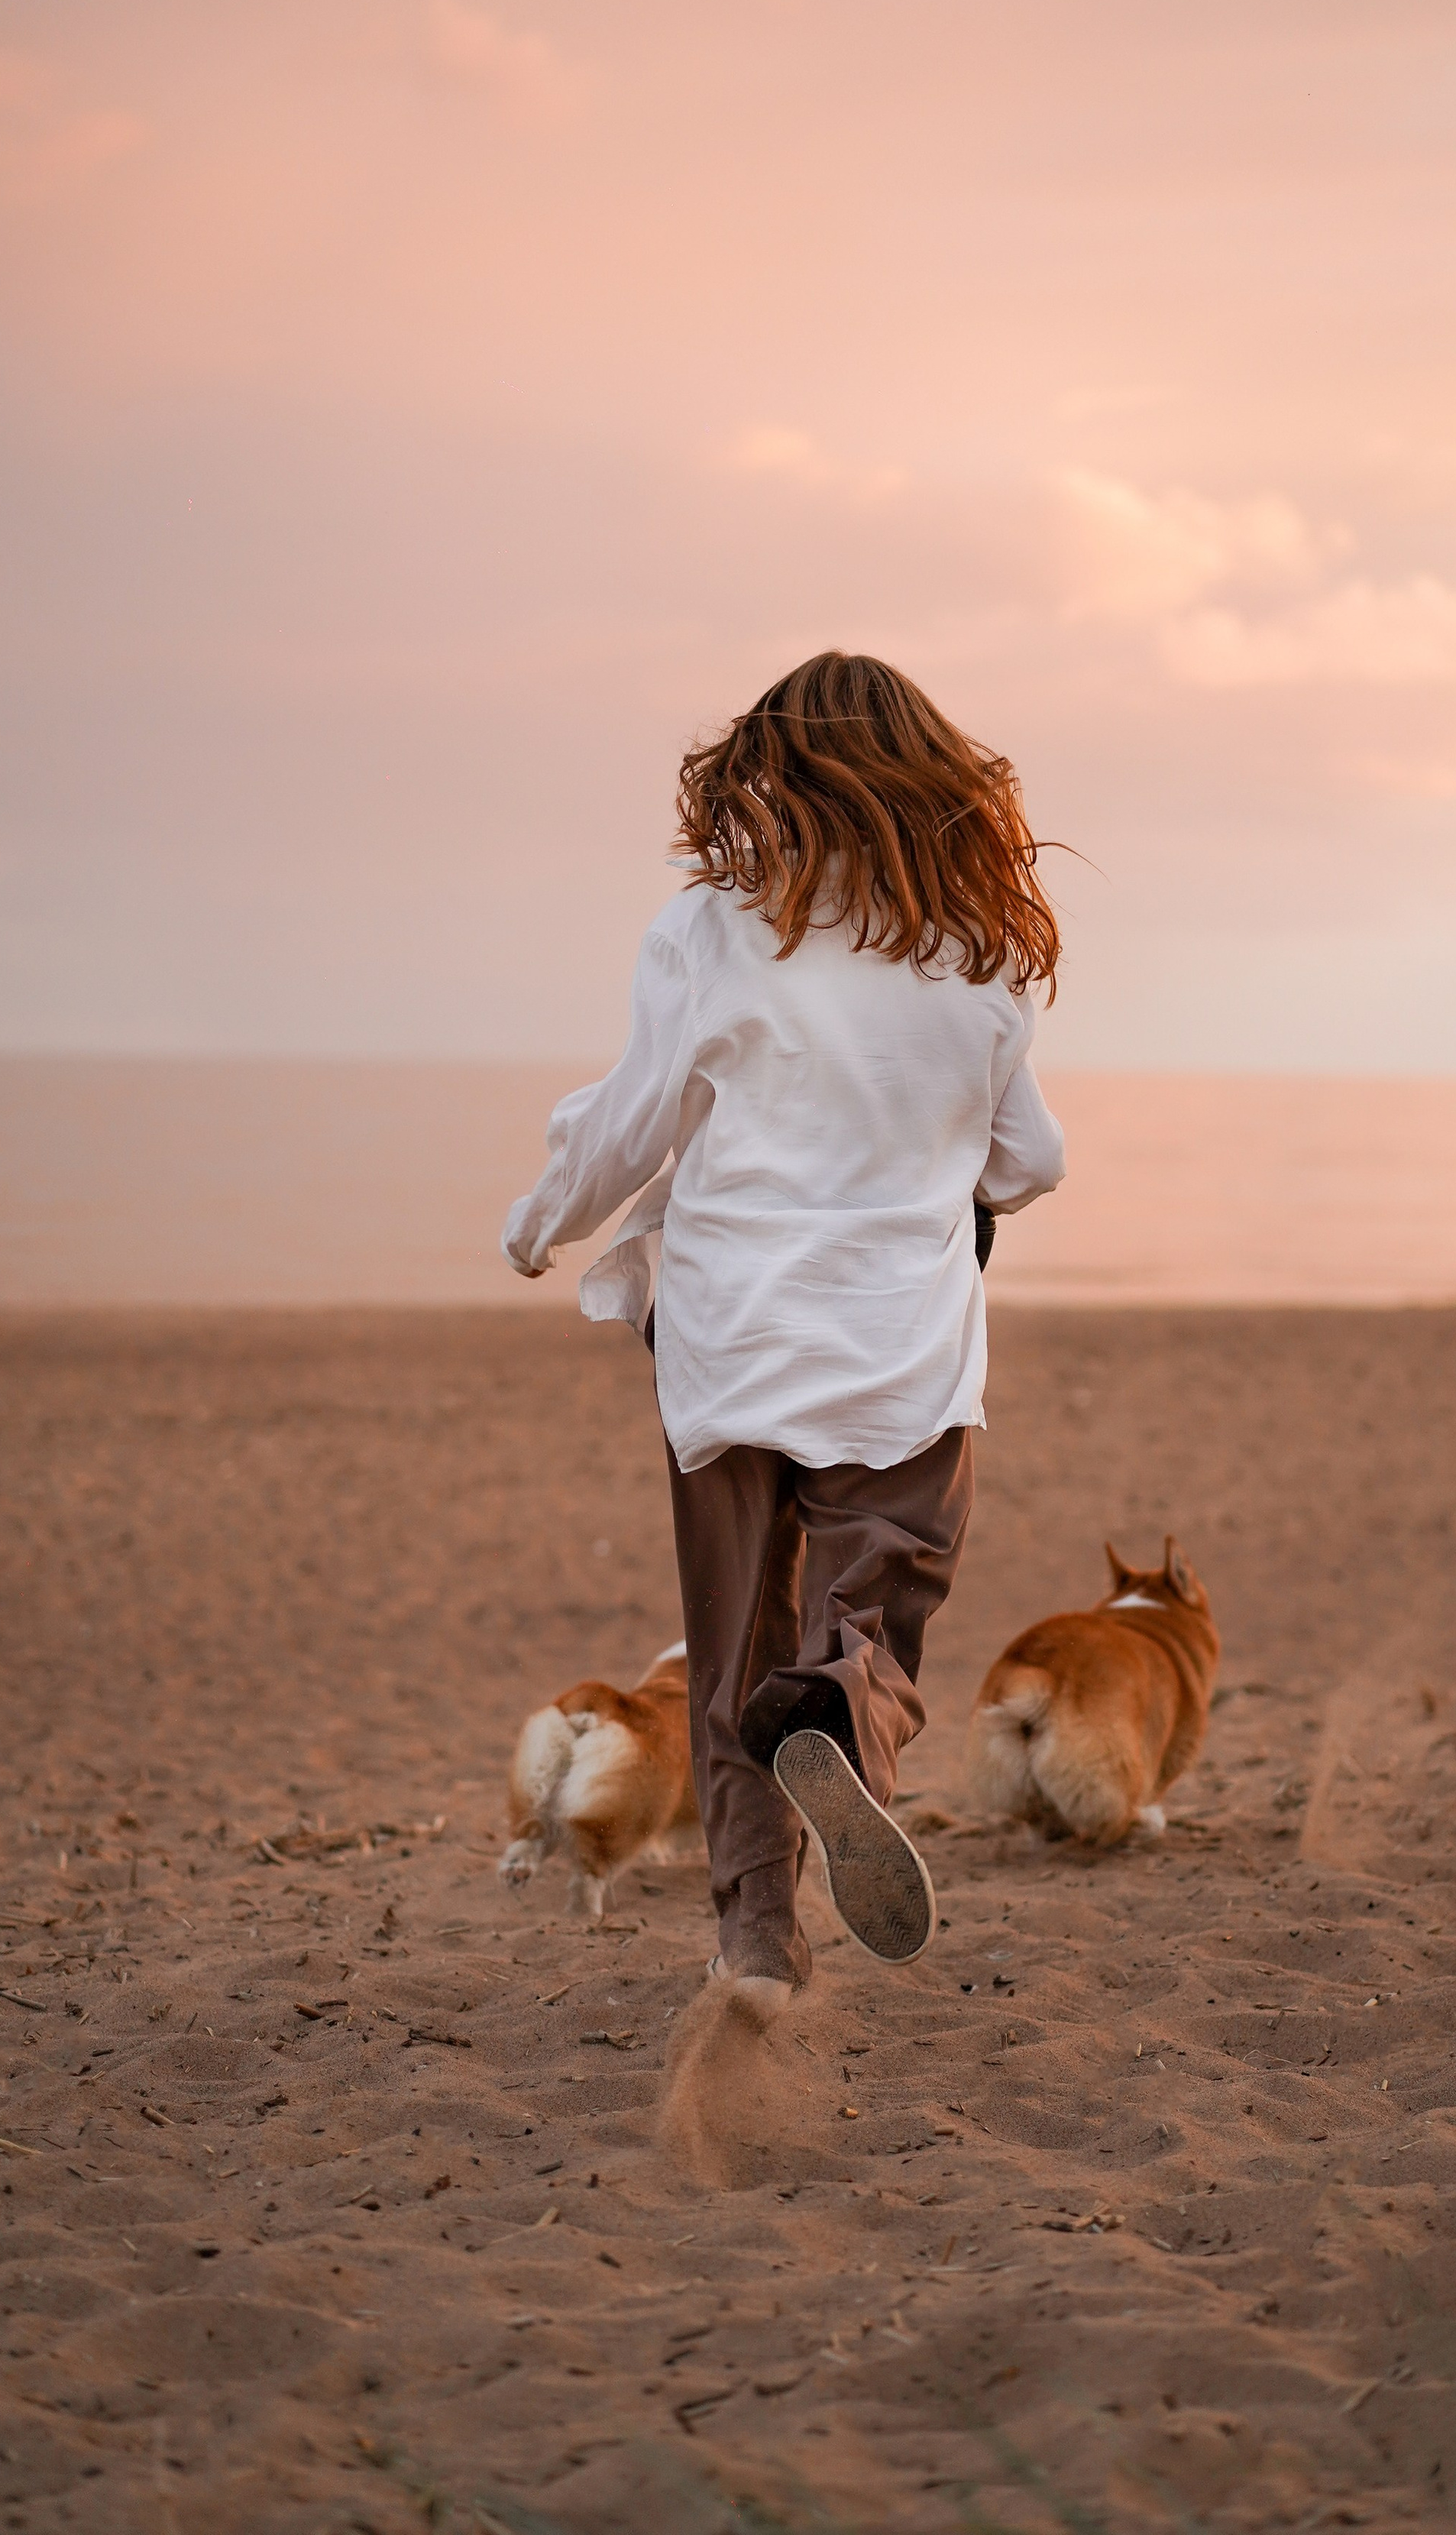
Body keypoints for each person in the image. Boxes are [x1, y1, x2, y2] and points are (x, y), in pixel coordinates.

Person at [502, 652, 1066, 1999]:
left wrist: (538, 1224)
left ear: (771, 773)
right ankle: (844, 1711)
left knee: (734, 1638)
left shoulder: (709, 929)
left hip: (727, 1342)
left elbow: (634, 1119)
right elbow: (1028, 1162)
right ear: (934, 784)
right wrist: (940, 1168)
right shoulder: (979, 958)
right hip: (901, 1353)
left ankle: (757, 1940)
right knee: (876, 1593)